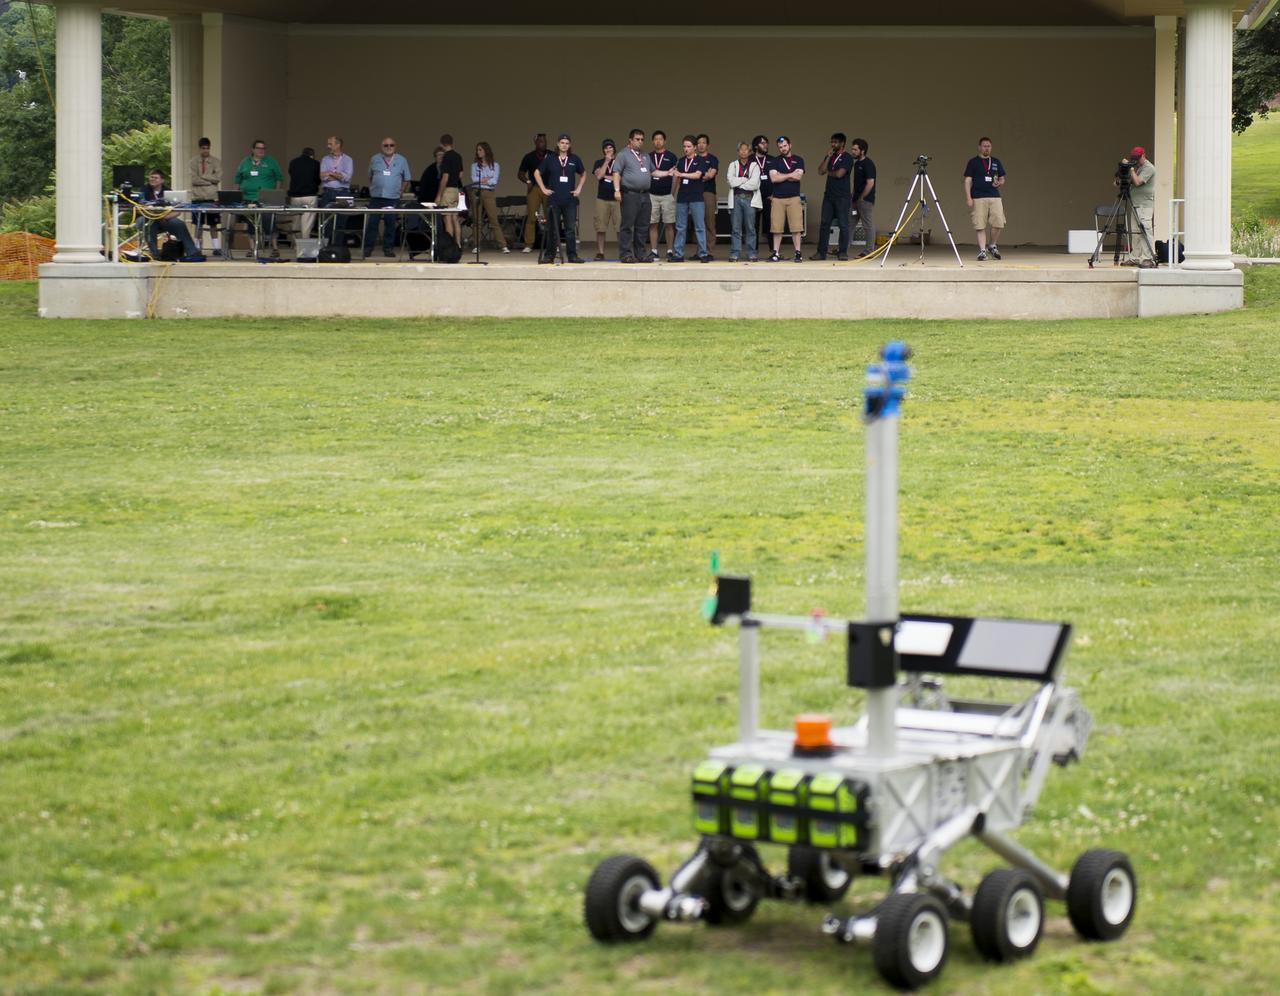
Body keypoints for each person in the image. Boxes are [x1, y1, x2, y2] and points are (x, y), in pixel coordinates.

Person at [535, 133, 586, 264]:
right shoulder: (550, 159)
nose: (564, 145)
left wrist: (579, 188)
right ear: (558, 144)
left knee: (570, 229)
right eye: (562, 143)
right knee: (552, 228)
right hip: (554, 199)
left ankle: (572, 256)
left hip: (569, 200)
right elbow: (537, 173)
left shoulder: (574, 159)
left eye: (567, 143)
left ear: (570, 145)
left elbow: (583, 173)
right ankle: (549, 255)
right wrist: (543, 189)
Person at [234, 139, 284, 257]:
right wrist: (236, 195)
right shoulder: (244, 162)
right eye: (259, 148)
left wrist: (275, 194)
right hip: (248, 198)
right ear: (253, 150)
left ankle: (274, 248)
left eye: (263, 148)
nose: (261, 150)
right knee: (251, 223)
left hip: (266, 198)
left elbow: (279, 178)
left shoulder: (271, 161)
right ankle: (252, 248)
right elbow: (237, 180)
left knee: (269, 222)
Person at [364, 136, 412, 259]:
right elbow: (370, 176)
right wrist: (375, 186)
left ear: (395, 147)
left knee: (390, 224)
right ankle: (368, 248)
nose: (389, 147)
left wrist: (401, 190)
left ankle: (388, 249)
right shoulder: (375, 159)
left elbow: (407, 178)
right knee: (372, 224)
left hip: (392, 197)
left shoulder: (402, 160)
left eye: (391, 145)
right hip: (376, 197)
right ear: (382, 147)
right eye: (386, 145)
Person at [140, 169, 202, 261]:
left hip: (165, 219)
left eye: (156, 178)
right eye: (151, 177)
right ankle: (154, 254)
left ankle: (192, 252)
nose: (152, 179)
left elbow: (178, 211)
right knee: (147, 224)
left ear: (162, 180)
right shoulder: (144, 190)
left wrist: (166, 217)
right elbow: (140, 207)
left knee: (178, 224)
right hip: (148, 217)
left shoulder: (168, 191)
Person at [611, 128, 652, 263]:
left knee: (643, 226)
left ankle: (640, 254)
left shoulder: (645, 156)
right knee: (627, 225)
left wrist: (667, 173)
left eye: (642, 139)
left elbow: (654, 172)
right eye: (637, 139)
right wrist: (617, 190)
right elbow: (616, 172)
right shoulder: (623, 154)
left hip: (645, 195)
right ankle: (626, 254)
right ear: (630, 140)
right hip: (630, 194)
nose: (640, 142)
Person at [963, 136, 1007, 261]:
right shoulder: (973, 162)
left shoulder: (996, 162)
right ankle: (982, 251)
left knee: (999, 222)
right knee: (980, 224)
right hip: (978, 197)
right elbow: (967, 180)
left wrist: (1000, 182)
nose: (986, 148)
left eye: (989, 146)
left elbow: (1002, 178)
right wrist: (968, 198)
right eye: (984, 146)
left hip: (994, 196)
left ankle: (992, 245)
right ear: (979, 147)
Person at [813, 132, 853, 261]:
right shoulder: (830, 156)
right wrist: (828, 158)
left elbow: (840, 174)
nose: (832, 144)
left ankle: (842, 252)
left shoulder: (847, 157)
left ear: (842, 143)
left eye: (835, 142)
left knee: (843, 224)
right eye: (831, 142)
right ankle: (821, 252)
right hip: (829, 196)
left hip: (842, 197)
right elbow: (820, 171)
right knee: (825, 224)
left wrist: (828, 172)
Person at [670, 135, 710, 263]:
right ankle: (678, 254)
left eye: (688, 146)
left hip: (696, 197)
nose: (686, 149)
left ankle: (703, 254)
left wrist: (681, 174)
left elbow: (698, 175)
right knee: (680, 226)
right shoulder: (680, 161)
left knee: (699, 226)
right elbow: (676, 178)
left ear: (694, 147)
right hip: (682, 197)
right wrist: (672, 194)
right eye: (684, 146)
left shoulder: (701, 160)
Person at [1118, 146, 1157, 268]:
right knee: (1135, 232)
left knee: (1145, 231)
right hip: (1135, 205)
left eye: (1138, 158)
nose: (1136, 160)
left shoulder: (1149, 168)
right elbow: (1124, 182)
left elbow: (1138, 182)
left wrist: (1130, 169)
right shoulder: (1137, 168)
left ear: (1143, 155)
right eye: (1134, 158)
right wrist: (1121, 174)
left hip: (1145, 205)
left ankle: (1148, 258)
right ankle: (1135, 257)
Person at [768, 136, 805, 262]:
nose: (783, 148)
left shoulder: (799, 160)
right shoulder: (774, 161)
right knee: (776, 228)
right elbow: (773, 178)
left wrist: (781, 175)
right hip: (778, 198)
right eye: (780, 147)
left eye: (784, 146)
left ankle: (798, 253)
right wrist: (790, 175)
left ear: (790, 145)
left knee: (796, 227)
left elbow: (798, 177)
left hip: (794, 198)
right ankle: (776, 253)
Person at [471, 141, 511, 254]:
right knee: (477, 220)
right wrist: (486, 179)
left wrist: (483, 180)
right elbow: (474, 179)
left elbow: (494, 181)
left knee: (493, 219)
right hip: (476, 192)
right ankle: (476, 245)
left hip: (489, 192)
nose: (478, 152)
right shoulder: (474, 165)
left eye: (480, 150)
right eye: (477, 150)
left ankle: (503, 245)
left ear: (486, 151)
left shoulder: (495, 165)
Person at [726, 141, 761, 263]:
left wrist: (739, 182)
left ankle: (752, 253)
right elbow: (731, 182)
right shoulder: (733, 165)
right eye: (741, 149)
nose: (743, 152)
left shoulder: (754, 166)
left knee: (750, 228)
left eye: (746, 149)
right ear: (738, 152)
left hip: (749, 199)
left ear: (749, 152)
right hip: (736, 198)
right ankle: (735, 253)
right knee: (736, 228)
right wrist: (745, 179)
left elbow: (755, 184)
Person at [187, 137, 222, 257]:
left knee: (213, 223)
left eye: (207, 148)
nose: (205, 150)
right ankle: (197, 248)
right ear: (199, 148)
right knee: (198, 224)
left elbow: (217, 178)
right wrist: (209, 181)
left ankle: (216, 247)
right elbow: (194, 180)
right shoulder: (193, 162)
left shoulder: (216, 162)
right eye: (203, 148)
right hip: (198, 196)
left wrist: (203, 176)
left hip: (212, 197)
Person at [647, 130, 678, 260]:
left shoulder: (671, 156)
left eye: (660, 139)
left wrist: (672, 193)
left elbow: (676, 176)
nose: (658, 141)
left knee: (669, 223)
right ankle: (654, 251)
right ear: (653, 141)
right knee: (653, 223)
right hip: (652, 195)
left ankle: (670, 250)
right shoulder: (647, 156)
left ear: (664, 141)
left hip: (667, 195)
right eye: (656, 139)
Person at [517, 133, 549, 253]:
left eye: (545, 141)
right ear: (535, 143)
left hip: (548, 188)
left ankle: (551, 243)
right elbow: (520, 173)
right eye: (540, 141)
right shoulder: (529, 157)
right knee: (531, 216)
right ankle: (528, 244)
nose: (543, 143)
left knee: (550, 216)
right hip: (534, 188)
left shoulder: (551, 155)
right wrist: (527, 180)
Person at [318, 135, 353, 244]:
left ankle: (337, 247)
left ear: (338, 145)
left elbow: (347, 178)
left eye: (330, 144)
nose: (327, 146)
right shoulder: (325, 159)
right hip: (328, 193)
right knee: (326, 221)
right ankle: (326, 247)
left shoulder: (348, 159)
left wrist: (330, 173)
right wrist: (338, 175)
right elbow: (322, 176)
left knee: (341, 222)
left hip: (343, 193)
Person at [592, 139, 619, 260]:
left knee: (620, 227)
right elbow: (598, 176)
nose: (608, 150)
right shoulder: (598, 162)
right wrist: (607, 162)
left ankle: (623, 251)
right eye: (606, 148)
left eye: (610, 148)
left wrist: (607, 176)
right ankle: (600, 252)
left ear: (614, 149)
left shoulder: (620, 161)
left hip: (617, 199)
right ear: (603, 150)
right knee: (600, 227)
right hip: (602, 198)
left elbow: (622, 178)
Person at [435, 134, 464, 248]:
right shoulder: (458, 156)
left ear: (442, 144)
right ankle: (458, 244)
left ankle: (450, 246)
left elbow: (445, 178)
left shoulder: (446, 157)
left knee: (447, 219)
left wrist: (438, 195)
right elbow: (461, 174)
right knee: (455, 219)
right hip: (456, 189)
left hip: (447, 191)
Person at [287, 146, 321, 242]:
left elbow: (291, 174)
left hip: (295, 196)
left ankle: (295, 244)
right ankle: (304, 244)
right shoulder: (315, 163)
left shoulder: (293, 162)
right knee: (307, 223)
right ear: (312, 155)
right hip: (310, 195)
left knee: (296, 222)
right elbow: (318, 179)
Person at [851, 138, 877, 257]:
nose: (853, 151)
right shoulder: (857, 164)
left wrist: (862, 197)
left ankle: (869, 251)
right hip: (855, 200)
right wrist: (854, 196)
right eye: (852, 149)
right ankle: (843, 248)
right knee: (849, 223)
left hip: (865, 200)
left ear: (862, 151)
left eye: (855, 149)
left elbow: (870, 182)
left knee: (868, 225)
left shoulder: (868, 164)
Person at [696, 134, 719, 260]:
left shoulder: (713, 159)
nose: (701, 145)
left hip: (708, 193)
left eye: (703, 142)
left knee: (709, 223)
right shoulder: (693, 159)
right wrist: (703, 174)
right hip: (695, 193)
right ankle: (700, 251)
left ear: (707, 145)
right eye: (698, 143)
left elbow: (710, 175)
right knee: (698, 224)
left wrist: (698, 175)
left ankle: (709, 251)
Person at [751, 135, 773, 255]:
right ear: (755, 146)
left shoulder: (772, 159)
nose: (765, 145)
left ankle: (773, 250)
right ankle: (753, 250)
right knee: (753, 225)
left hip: (769, 198)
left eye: (766, 143)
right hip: (754, 198)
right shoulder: (750, 160)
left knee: (771, 224)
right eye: (762, 143)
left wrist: (774, 194)